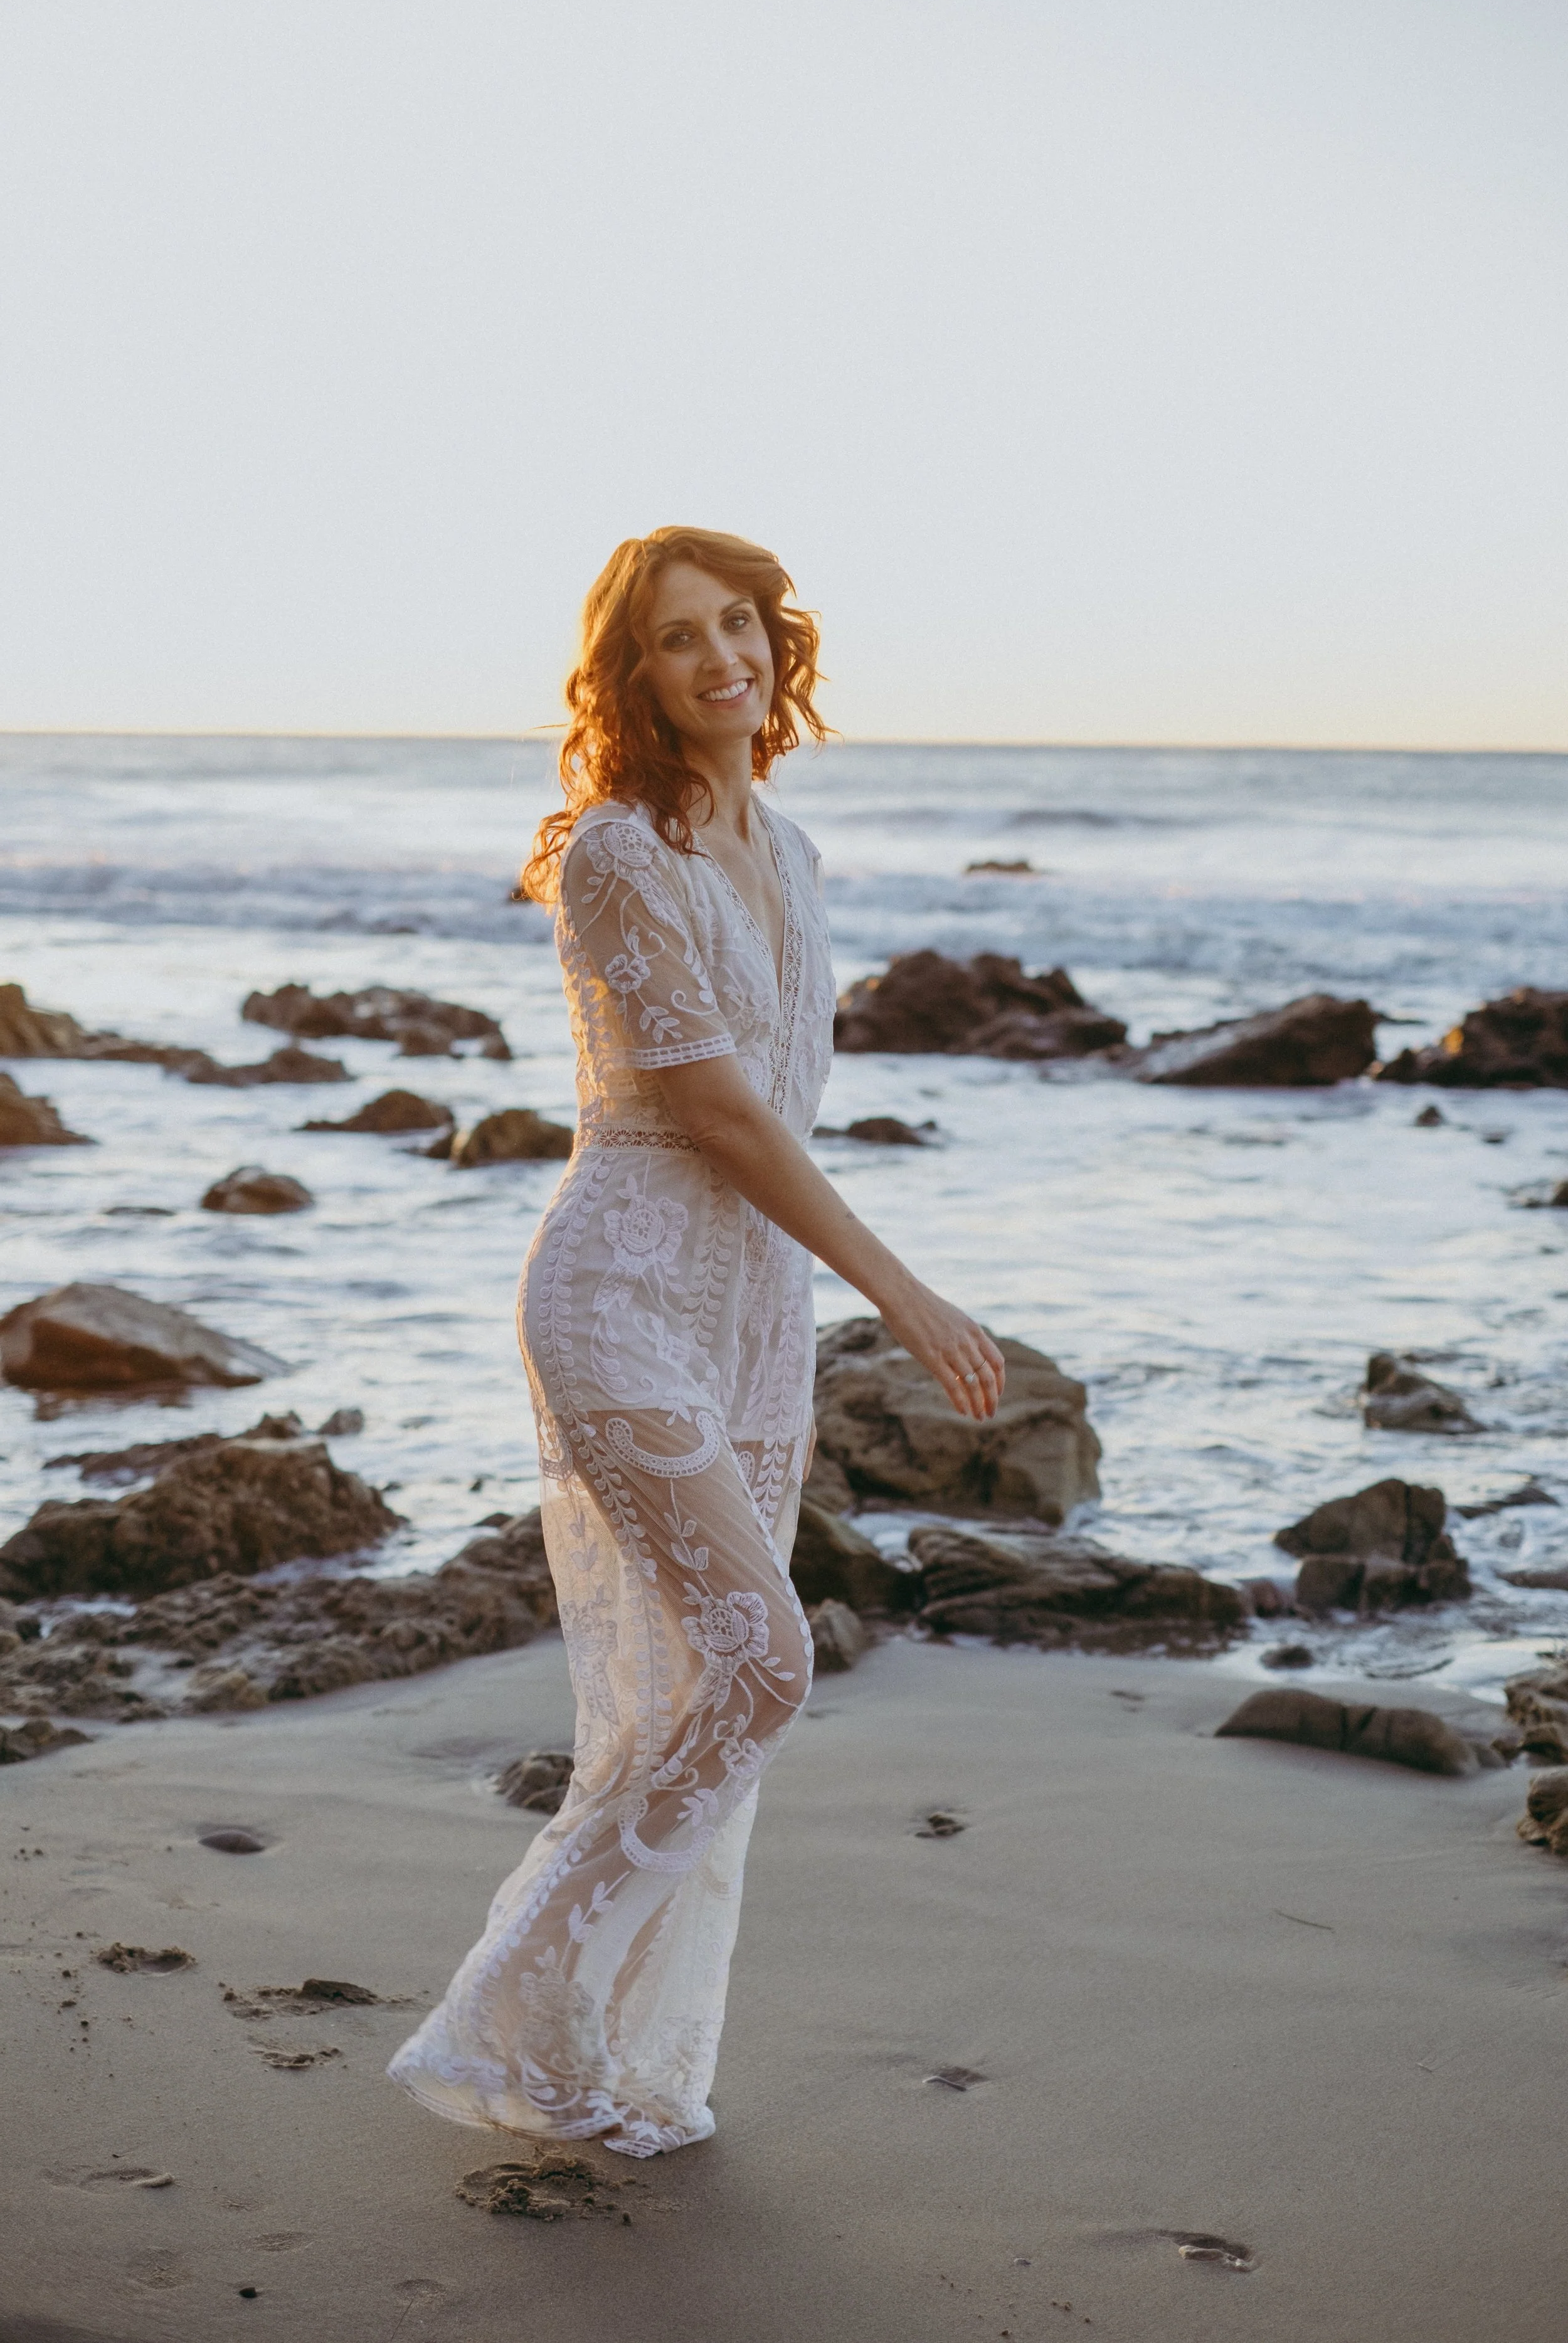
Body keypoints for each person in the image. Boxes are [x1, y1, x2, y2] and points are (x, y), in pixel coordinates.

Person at [388, 526, 1004, 2157]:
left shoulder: (790, 853)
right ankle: (539, 2002)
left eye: (738, 623)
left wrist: (827, 1293)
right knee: (761, 1661)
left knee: (692, 1687)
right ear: (633, 675)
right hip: (619, 1296)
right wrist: (906, 1288)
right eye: (677, 637)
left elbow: (782, 1099)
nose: (719, 655)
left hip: (751, 1315)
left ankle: (583, 2018)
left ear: (771, 644)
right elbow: (722, 1112)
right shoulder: (612, 852)